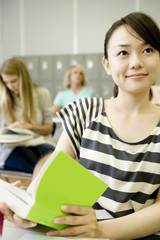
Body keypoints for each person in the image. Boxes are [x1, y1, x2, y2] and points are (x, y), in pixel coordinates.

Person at [1, 11, 160, 240]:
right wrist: (28, 206)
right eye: (123, 52)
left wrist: (100, 230)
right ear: (107, 64)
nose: (136, 62)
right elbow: (53, 175)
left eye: (148, 50)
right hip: (81, 235)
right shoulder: (85, 111)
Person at [0, 57, 55, 174]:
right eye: (6, 82)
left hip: (40, 141)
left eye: (14, 81)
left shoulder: (42, 93)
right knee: (46, 169)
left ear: (23, 77)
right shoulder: (4, 99)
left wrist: (27, 126)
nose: (10, 86)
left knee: (57, 161)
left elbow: (49, 128)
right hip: (14, 147)